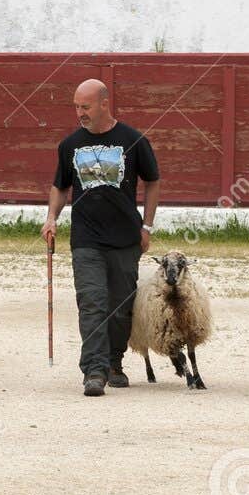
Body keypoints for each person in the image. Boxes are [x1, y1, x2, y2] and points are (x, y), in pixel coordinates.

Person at [41, 79, 161, 397]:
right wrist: (51, 217)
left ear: (104, 104)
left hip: (125, 238)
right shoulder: (69, 145)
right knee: (92, 302)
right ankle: (94, 370)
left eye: (86, 106)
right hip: (86, 239)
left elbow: (152, 181)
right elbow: (60, 187)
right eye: (76, 107)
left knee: (120, 308)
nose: (80, 113)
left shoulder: (133, 140)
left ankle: (113, 362)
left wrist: (147, 227)